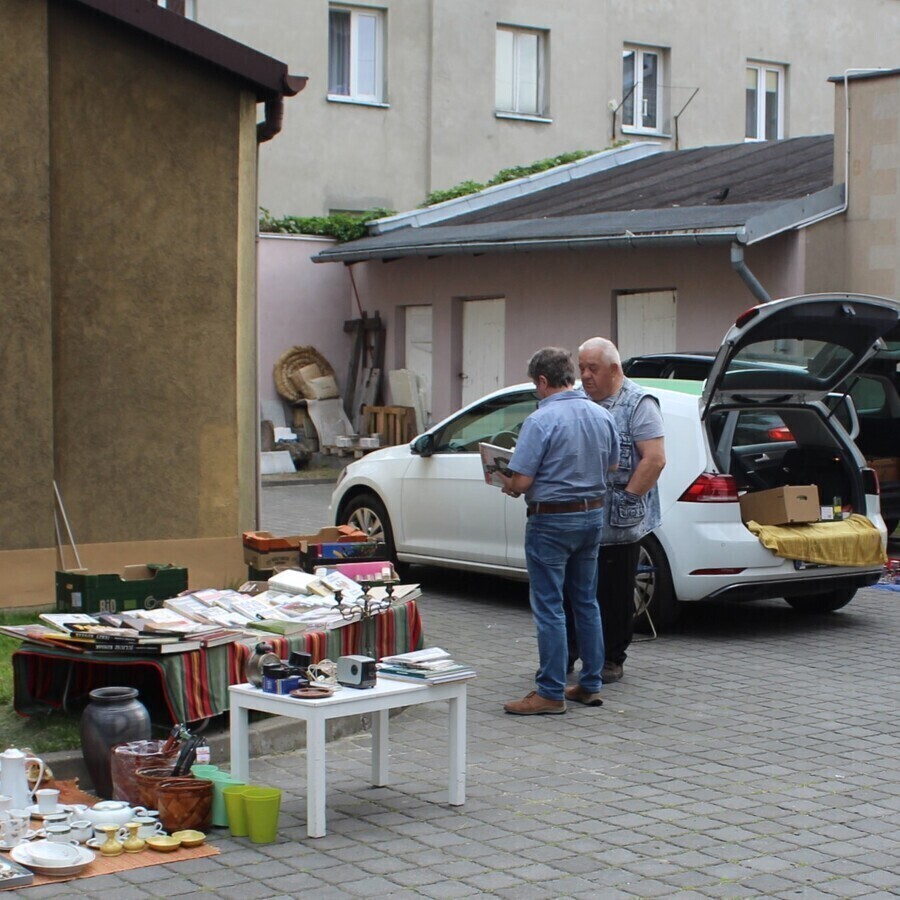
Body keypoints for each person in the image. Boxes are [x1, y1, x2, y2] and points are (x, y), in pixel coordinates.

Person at [497, 347, 619, 715]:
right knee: (586, 601)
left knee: (550, 606)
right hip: (591, 517)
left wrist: (508, 482)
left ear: (543, 381)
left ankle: (549, 691)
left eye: (537, 385)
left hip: (550, 520)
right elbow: (612, 467)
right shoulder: (602, 415)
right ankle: (590, 683)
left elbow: (522, 479)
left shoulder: (540, 420)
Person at [570, 337, 666, 683]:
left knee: (613, 593)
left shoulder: (639, 403)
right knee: (575, 590)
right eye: (581, 368)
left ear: (614, 369)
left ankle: (613, 658)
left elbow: (654, 460)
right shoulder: (578, 401)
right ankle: (570, 653)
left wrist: (626, 500)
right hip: (579, 514)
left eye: (592, 369)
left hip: (618, 522)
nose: (585, 376)